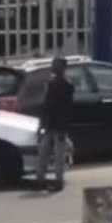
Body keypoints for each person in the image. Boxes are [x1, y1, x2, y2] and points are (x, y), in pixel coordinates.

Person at [36, 57, 74, 192]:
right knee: (43, 153)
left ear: (63, 68)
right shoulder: (51, 83)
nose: (53, 67)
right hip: (49, 124)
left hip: (59, 125)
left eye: (56, 65)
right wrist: (42, 124)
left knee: (59, 155)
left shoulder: (67, 85)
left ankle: (58, 182)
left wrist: (63, 128)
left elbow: (66, 109)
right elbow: (46, 106)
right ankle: (40, 180)